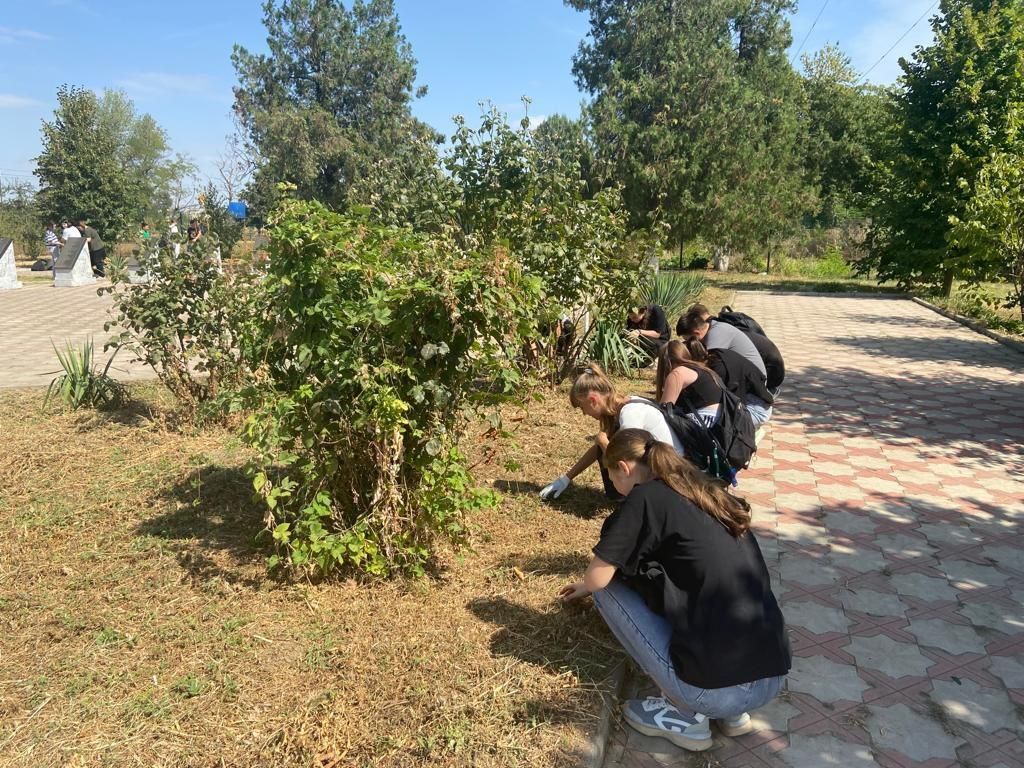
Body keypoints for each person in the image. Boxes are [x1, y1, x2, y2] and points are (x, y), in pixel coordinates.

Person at [560, 428, 790, 751]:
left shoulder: (645, 497)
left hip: (714, 691)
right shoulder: (702, 487)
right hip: (771, 677)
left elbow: (598, 577)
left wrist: (587, 586)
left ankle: (688, 715)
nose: (615, 489)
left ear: (624, 468)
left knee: (607, 590)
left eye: (612, 479)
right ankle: (732, 714)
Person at [539, 363, 685, 500]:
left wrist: (603, 442)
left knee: (610, 448)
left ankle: (632, 499)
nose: (584, 413)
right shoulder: (623, 405)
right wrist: (566, 479)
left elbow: (628, 461)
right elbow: (597, 450)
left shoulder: (629, 414)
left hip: (671, 475)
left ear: (593, 400)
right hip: (661, 467)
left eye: (583, 407)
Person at [681, 338, 774, 427]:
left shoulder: (719, 370)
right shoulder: (714, 355)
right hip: (756, 402)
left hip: (755, 410)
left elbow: (721, 403)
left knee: (705, 423)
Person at [677, 304, 766, 377]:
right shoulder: (713, 326)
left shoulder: (716, 335)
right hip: (745, 376)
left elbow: (707, 366)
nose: (689, 343)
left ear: (696, 333)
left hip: (754, 383)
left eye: (688, 340)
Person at [654, 340, 722, 427]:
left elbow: (663, 411)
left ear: (665, 363)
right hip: (719, 421)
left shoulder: (678, 373)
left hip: (706, 422)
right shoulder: (702, 368)